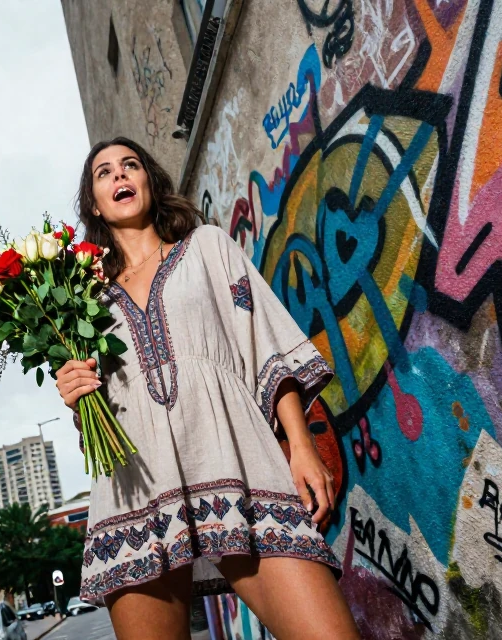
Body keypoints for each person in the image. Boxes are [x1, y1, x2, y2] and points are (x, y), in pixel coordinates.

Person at [55, 137, 359, 639]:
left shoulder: (207, 246)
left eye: (130, 165)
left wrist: (301, 447)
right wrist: (74, 391)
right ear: (94, 202)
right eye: (104, 173)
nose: (120, 176)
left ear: (150, 180)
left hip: (239, 467)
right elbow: (100, 416)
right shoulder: (82, 301)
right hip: (135, 493)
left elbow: (266, 344)